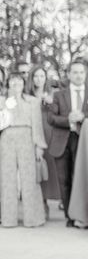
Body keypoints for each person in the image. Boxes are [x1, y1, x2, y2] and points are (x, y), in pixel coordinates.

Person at [48, 59, 88, 228]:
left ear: (85, 74)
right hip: (62, 139)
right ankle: (69, 216)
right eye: (75, 72)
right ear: (69, 75)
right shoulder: (58, 95)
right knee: (64, 179)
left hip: (84, 139)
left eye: (81, 72)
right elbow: (51, 118)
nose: (78, 75)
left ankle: (82, 213)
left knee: (80, 176)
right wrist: (68, 119)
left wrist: (83, 116)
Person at [0, 72, 47, 227]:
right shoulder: (2, 101)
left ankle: (33, 218)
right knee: (7, 179)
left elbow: (37, 124)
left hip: (27, 137)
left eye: (19, 80)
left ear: (23, 83)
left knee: (30, 178)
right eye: (12, 80)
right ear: (8, 83)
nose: (16, 83)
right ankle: (8, 218)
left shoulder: (32, 101)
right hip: (7, 138)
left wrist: (39, 146)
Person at [26, 66, 59, 218]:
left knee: (47, 169)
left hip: (49, 133)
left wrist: (50, 102)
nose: (39, 79)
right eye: (36, 76)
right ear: (32, 78)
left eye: (42, 76)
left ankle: (51, 200)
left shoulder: (52, 94)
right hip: (32, 133)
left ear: (46, 78)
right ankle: (40, 203)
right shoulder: (26, 95)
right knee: (35, 168)